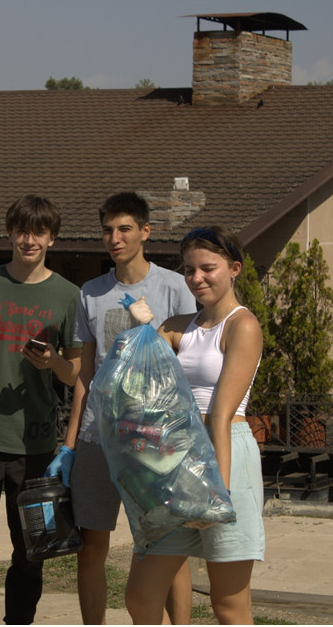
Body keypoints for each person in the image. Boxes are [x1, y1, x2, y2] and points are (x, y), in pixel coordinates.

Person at [48, 191, 198, 624]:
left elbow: (184, 368)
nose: (115, 238)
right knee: (92, 546)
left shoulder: (175, 287)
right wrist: (71, 443)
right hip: (99, 436)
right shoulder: (91, 293)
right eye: (108, 230)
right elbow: (85, 374)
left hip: (154, 438)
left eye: (125, 229)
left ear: (145, 232)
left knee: (165, 545)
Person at [0, 194, 82, 625]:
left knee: (31, 551)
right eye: (22, 230)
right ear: (10, 233)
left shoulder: (68, 295)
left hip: (37, 445)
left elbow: (73, 373)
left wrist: (52, 361)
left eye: (39, 232)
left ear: (52, 239)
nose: (29, 239)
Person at [127, 226, 264, 624]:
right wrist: (141, 327)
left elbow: (220, 415)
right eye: (188, 270)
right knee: (141, 596)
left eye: (208, 268)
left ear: (235, 268)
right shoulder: (178, 325)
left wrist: (215, 495)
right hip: (177, 459)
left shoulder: (243, 326)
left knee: (227, 603)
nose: (196, 278)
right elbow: (139, 371)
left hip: (225, 457)